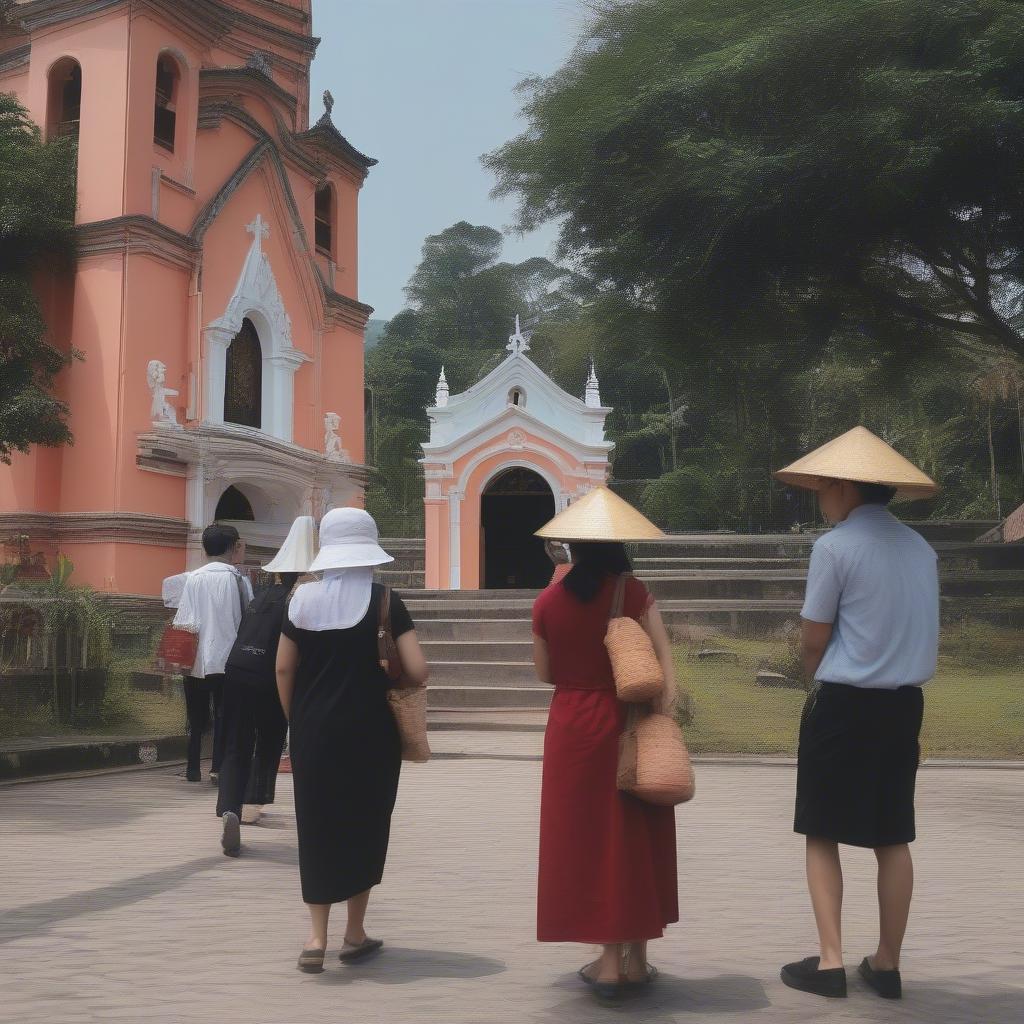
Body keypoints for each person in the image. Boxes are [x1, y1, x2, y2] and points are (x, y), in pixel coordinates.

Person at [773, 426, 940, 1001]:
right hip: (903, 706)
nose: (820, 497)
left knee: (822, 831)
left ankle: (831, 960)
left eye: (824, 487)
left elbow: (814, 637)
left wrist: (812, 675)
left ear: (844, 488)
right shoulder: (921, 549)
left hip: (844, 702)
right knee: (892, 836)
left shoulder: (835, 547)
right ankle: (887, 963)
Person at [531, 486, 679, 1001]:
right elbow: (663, 664)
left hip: (572, 726)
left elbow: (546, 672)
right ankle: (635, 957)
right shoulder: (634, 593)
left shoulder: (548, 600)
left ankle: (609, 962)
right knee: (634, 833)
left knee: (588, 839)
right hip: (626, 721)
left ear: (572, 545)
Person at [275, 507, 429, 974]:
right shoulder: (386, 600)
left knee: (318, 827)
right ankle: (355, 932)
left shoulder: (299, 600)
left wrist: (296, 719)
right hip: (371, 735)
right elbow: (418, 670)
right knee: (365, 825)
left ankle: (315, 936)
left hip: (313, 732)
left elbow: (283, 668)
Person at [215, 516, 316, 856]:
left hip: (236, 669)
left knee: (235, 740)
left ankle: (229, 806)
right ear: (303, 575)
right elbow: (293, 655)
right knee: (268, 738)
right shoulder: (299, 602)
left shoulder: (260, 597)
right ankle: (252, 802)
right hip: (269, 676)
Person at [173, 524, 253, 785]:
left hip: (196, 660)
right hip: (229, 660)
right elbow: (247, 621)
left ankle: (192, 768)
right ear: (233, 547)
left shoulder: (193, 578)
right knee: (224, 716)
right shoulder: (239, 580)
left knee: (195, 718)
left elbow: (183, 621)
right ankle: (217, 768)